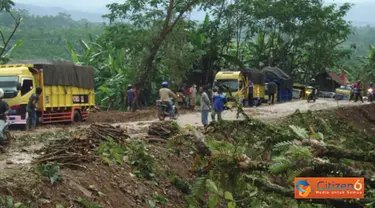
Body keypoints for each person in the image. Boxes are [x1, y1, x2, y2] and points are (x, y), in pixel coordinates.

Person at [0, 88, 9, 153]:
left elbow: (9, 110)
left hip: (1, 119)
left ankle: (1, 145)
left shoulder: (4, 103)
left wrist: (6, 112)